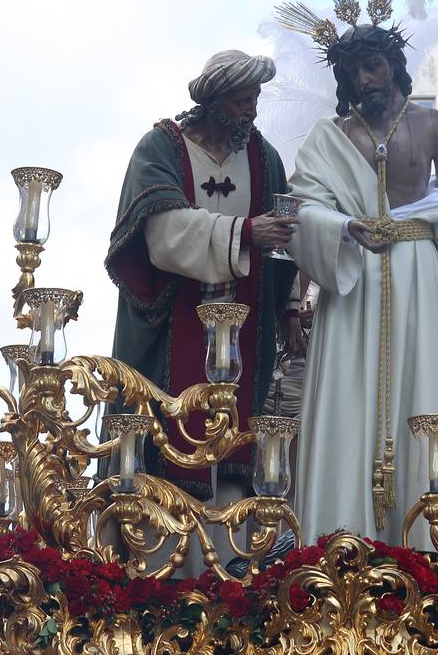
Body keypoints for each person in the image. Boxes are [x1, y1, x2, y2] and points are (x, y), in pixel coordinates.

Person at [278, 0, 438, 546]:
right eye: (353, 71)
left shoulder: (435, 127)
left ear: (394, 64)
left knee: (422, 402)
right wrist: (347, 226)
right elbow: (302, 210)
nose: (365, 79)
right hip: (351, 282)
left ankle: (430, 551)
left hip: (417, 276)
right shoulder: (329, 139)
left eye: (373, 65)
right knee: (348, 409)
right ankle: (340, 545)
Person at [105, 50, 300, 515]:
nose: (250, 111)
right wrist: (246, 232)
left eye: (254, 100)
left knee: (233, 443)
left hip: (243, 330)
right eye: (240, 102)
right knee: (158, 438)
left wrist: (290, 307)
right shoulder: (160, 148)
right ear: (212, 100)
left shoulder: (263, 156)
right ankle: (158, 562)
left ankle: (227, 560)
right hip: (173, 325)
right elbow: (163, 232)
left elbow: (284, 238)